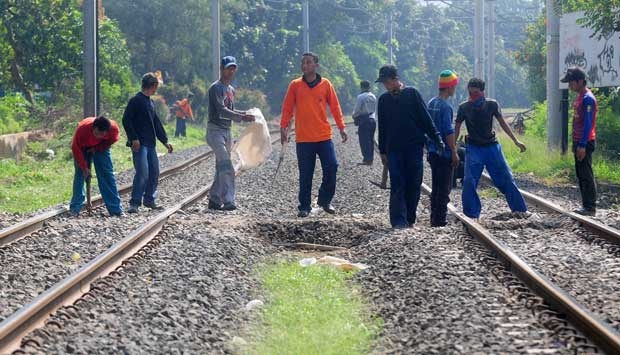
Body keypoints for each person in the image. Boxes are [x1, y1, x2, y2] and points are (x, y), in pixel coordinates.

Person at [375, 64, 444, 228]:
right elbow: (382, 126)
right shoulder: (383, 100)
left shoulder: (412, 94)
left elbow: (425, 119)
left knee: (414, 182)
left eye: (387, 81)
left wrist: (437, 138)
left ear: (395, 79)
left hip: (414, 147)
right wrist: (382, 150)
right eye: (383, 83)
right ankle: (398, 220)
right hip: (394, 149)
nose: (385, 85)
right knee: (397, 182)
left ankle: (410, 217)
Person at [281, 52, 348, 218]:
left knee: (332, 167)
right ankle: (304, 206)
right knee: (305, 174)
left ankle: (325, 200)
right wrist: (284, 128)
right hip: (304, 138)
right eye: (303, 63)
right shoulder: (295, 85)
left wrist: (341, 127)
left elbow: (335, 107)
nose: (304, 65)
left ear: (316, 65)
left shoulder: (326, 84)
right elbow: (287, 108)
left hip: (324, 136)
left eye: (308, 62)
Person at [454, 77, 528, 219]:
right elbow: (457, 128)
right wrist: (453, 147)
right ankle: (471, 214)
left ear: (482, 92)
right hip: (474, 148)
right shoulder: (464, 107)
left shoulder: (492, 105)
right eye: (470, 93)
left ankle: (520, 210)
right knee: (469, 180)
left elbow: (503, 124)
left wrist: (516, 141)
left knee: (506, 177)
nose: (472, 96)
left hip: (492, 148)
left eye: (475, 93)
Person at [206, 56, 255, 211]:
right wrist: (241, 116)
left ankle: (214, 199)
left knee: (221, 166)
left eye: (233, 68)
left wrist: (245, 114)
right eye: (228, 68)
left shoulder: (231, 90)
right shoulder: (215, 88)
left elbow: (231, 111)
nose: (231, 71)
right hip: (215, 132)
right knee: (227, 166)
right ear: (222, 69)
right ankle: (229, 200)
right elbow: (221, 110)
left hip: (227, 131)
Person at [122, 72, 173, 214]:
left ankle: (149, 199)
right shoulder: (136, 100)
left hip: (150, 144)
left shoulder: (150, 102)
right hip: (140, 145)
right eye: (156, 85)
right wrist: (133, 138)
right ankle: (134, 203)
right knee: (142, 173)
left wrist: (165, 141)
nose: (157, 88)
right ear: (153, 85)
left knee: (154, 172)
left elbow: (156, 124)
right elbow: (126, 119)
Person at [561, 67, 598, 216]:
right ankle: (586, 205)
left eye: (571, 82)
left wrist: (582, 145)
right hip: (578, 141)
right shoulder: (579, 96)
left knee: (586, 174)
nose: (569, 85)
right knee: (581, 174)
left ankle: (590, 207)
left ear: (580, 81)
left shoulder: (588, 98)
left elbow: (588, 124)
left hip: (585, 142)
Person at [70, 116, 123, 217]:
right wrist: (84, 167)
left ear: (107, 132)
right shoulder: (83, 129)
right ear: (93, 128)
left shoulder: (113, 130)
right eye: (96, 134)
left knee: (106, 174)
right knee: (80, 174)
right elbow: (75, 148)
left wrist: (98, 147)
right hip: (82, 147)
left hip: (101, 147)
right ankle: (75, 209)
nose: (98, 136)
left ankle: (115, 209)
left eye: (102, 135)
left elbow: (111, 140)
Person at [427, 70, 460, 227]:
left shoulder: (431, 102)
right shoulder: (446, 107)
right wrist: (454, 151)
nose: (455, 89)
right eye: (454, 86)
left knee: (436, 186)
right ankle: (440, 220)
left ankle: (434, 217)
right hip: (444, 153)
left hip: (432, 151)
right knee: (444, 188)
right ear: (450, 87)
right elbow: (448, 131)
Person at [352, 80, 377, 165]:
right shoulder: (373, 96)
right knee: (370, 139)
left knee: (364, 140)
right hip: (373, 120)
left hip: (364, 121)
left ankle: (367, 159)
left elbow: (357, 110)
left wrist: (354, 116)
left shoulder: (361, 96)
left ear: (361, 87)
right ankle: (371, 158)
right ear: (369, 87)